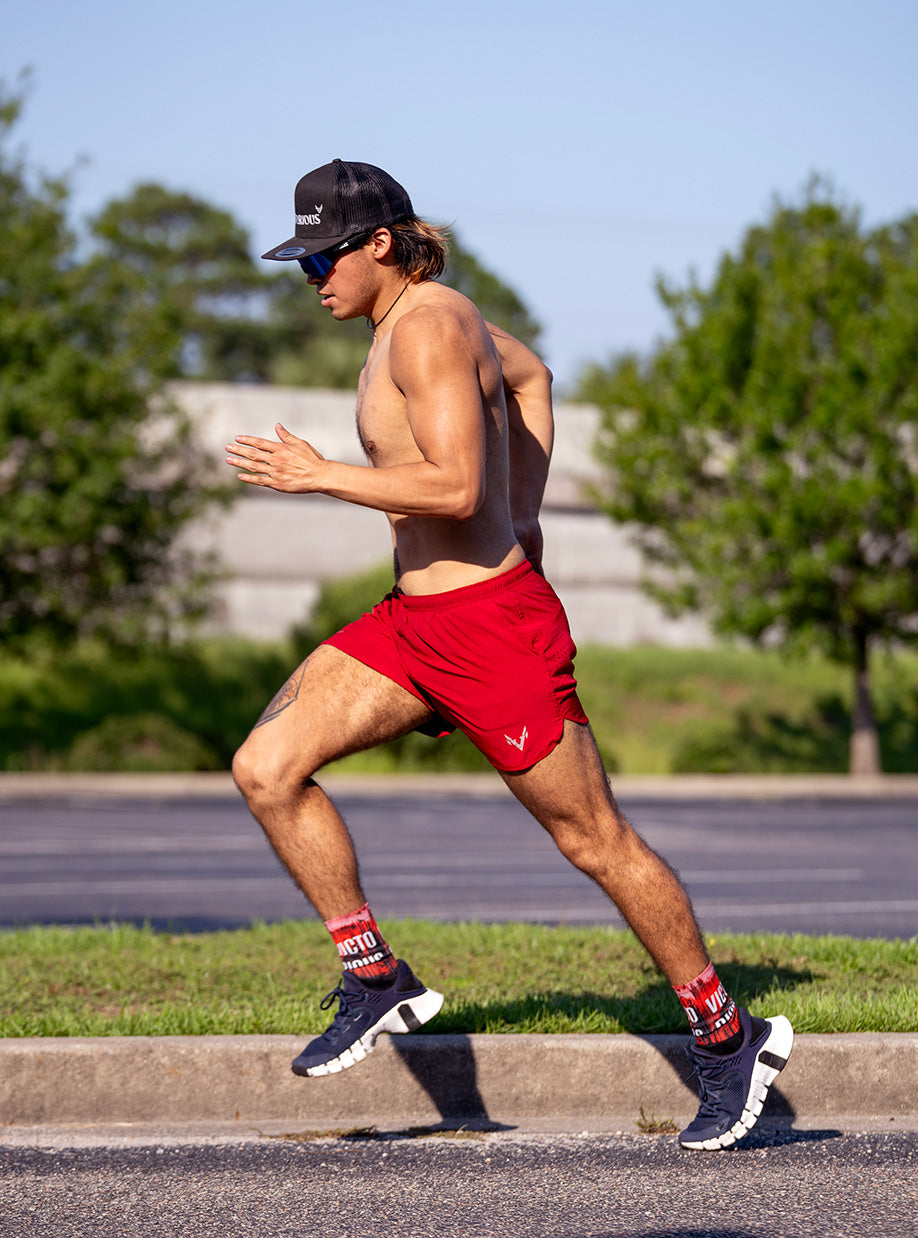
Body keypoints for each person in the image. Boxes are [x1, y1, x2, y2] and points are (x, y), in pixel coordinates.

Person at [226, 159, 793, 1151]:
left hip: (493, 630)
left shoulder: (435, 323)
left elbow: (449, 486)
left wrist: (325, 476)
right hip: (413, 625)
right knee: (264, 765)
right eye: (299, 258)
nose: (310, 273)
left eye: (322, 255)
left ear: (379, 245)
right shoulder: (403, 327)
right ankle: (375, 975)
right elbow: (530, 375)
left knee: (595, 842)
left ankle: (727, 1034)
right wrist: (523, 503)